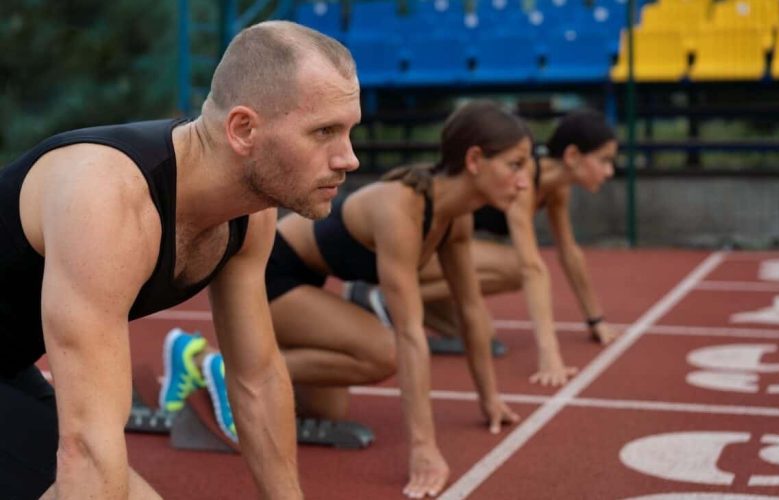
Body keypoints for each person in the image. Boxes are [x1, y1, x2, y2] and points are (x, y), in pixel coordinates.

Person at [0, 20, 360, 499]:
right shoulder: (108, 198)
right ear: (243, 129)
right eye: (324, 132)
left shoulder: (250, 217)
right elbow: (86, 448)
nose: (349, 158)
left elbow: (255, 379)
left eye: (349, 131)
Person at [162, 100, 528, 499]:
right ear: (475, 160)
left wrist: (490, 400)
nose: (525, 182)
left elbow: (471, 309)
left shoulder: (455, 216)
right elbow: (408, 333)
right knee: (382, 352)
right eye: (515, 165)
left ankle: (200, 356)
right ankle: (217, 364)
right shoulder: (402, 208)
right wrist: (423, 449)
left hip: (310, 281)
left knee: (327, 409)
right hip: (272, 272)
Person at [413, 109, 620, 387]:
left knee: (483, 335)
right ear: (572, 156)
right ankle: (383, 291)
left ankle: (388, 301)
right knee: (515, 267)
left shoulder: (557, 187)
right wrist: (550, 355)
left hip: (447, 251)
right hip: (420, 247)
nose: (609, 171)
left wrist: (596, 320)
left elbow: (569, 252)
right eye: (604, 160)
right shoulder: (524, 178)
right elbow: (531, 267)